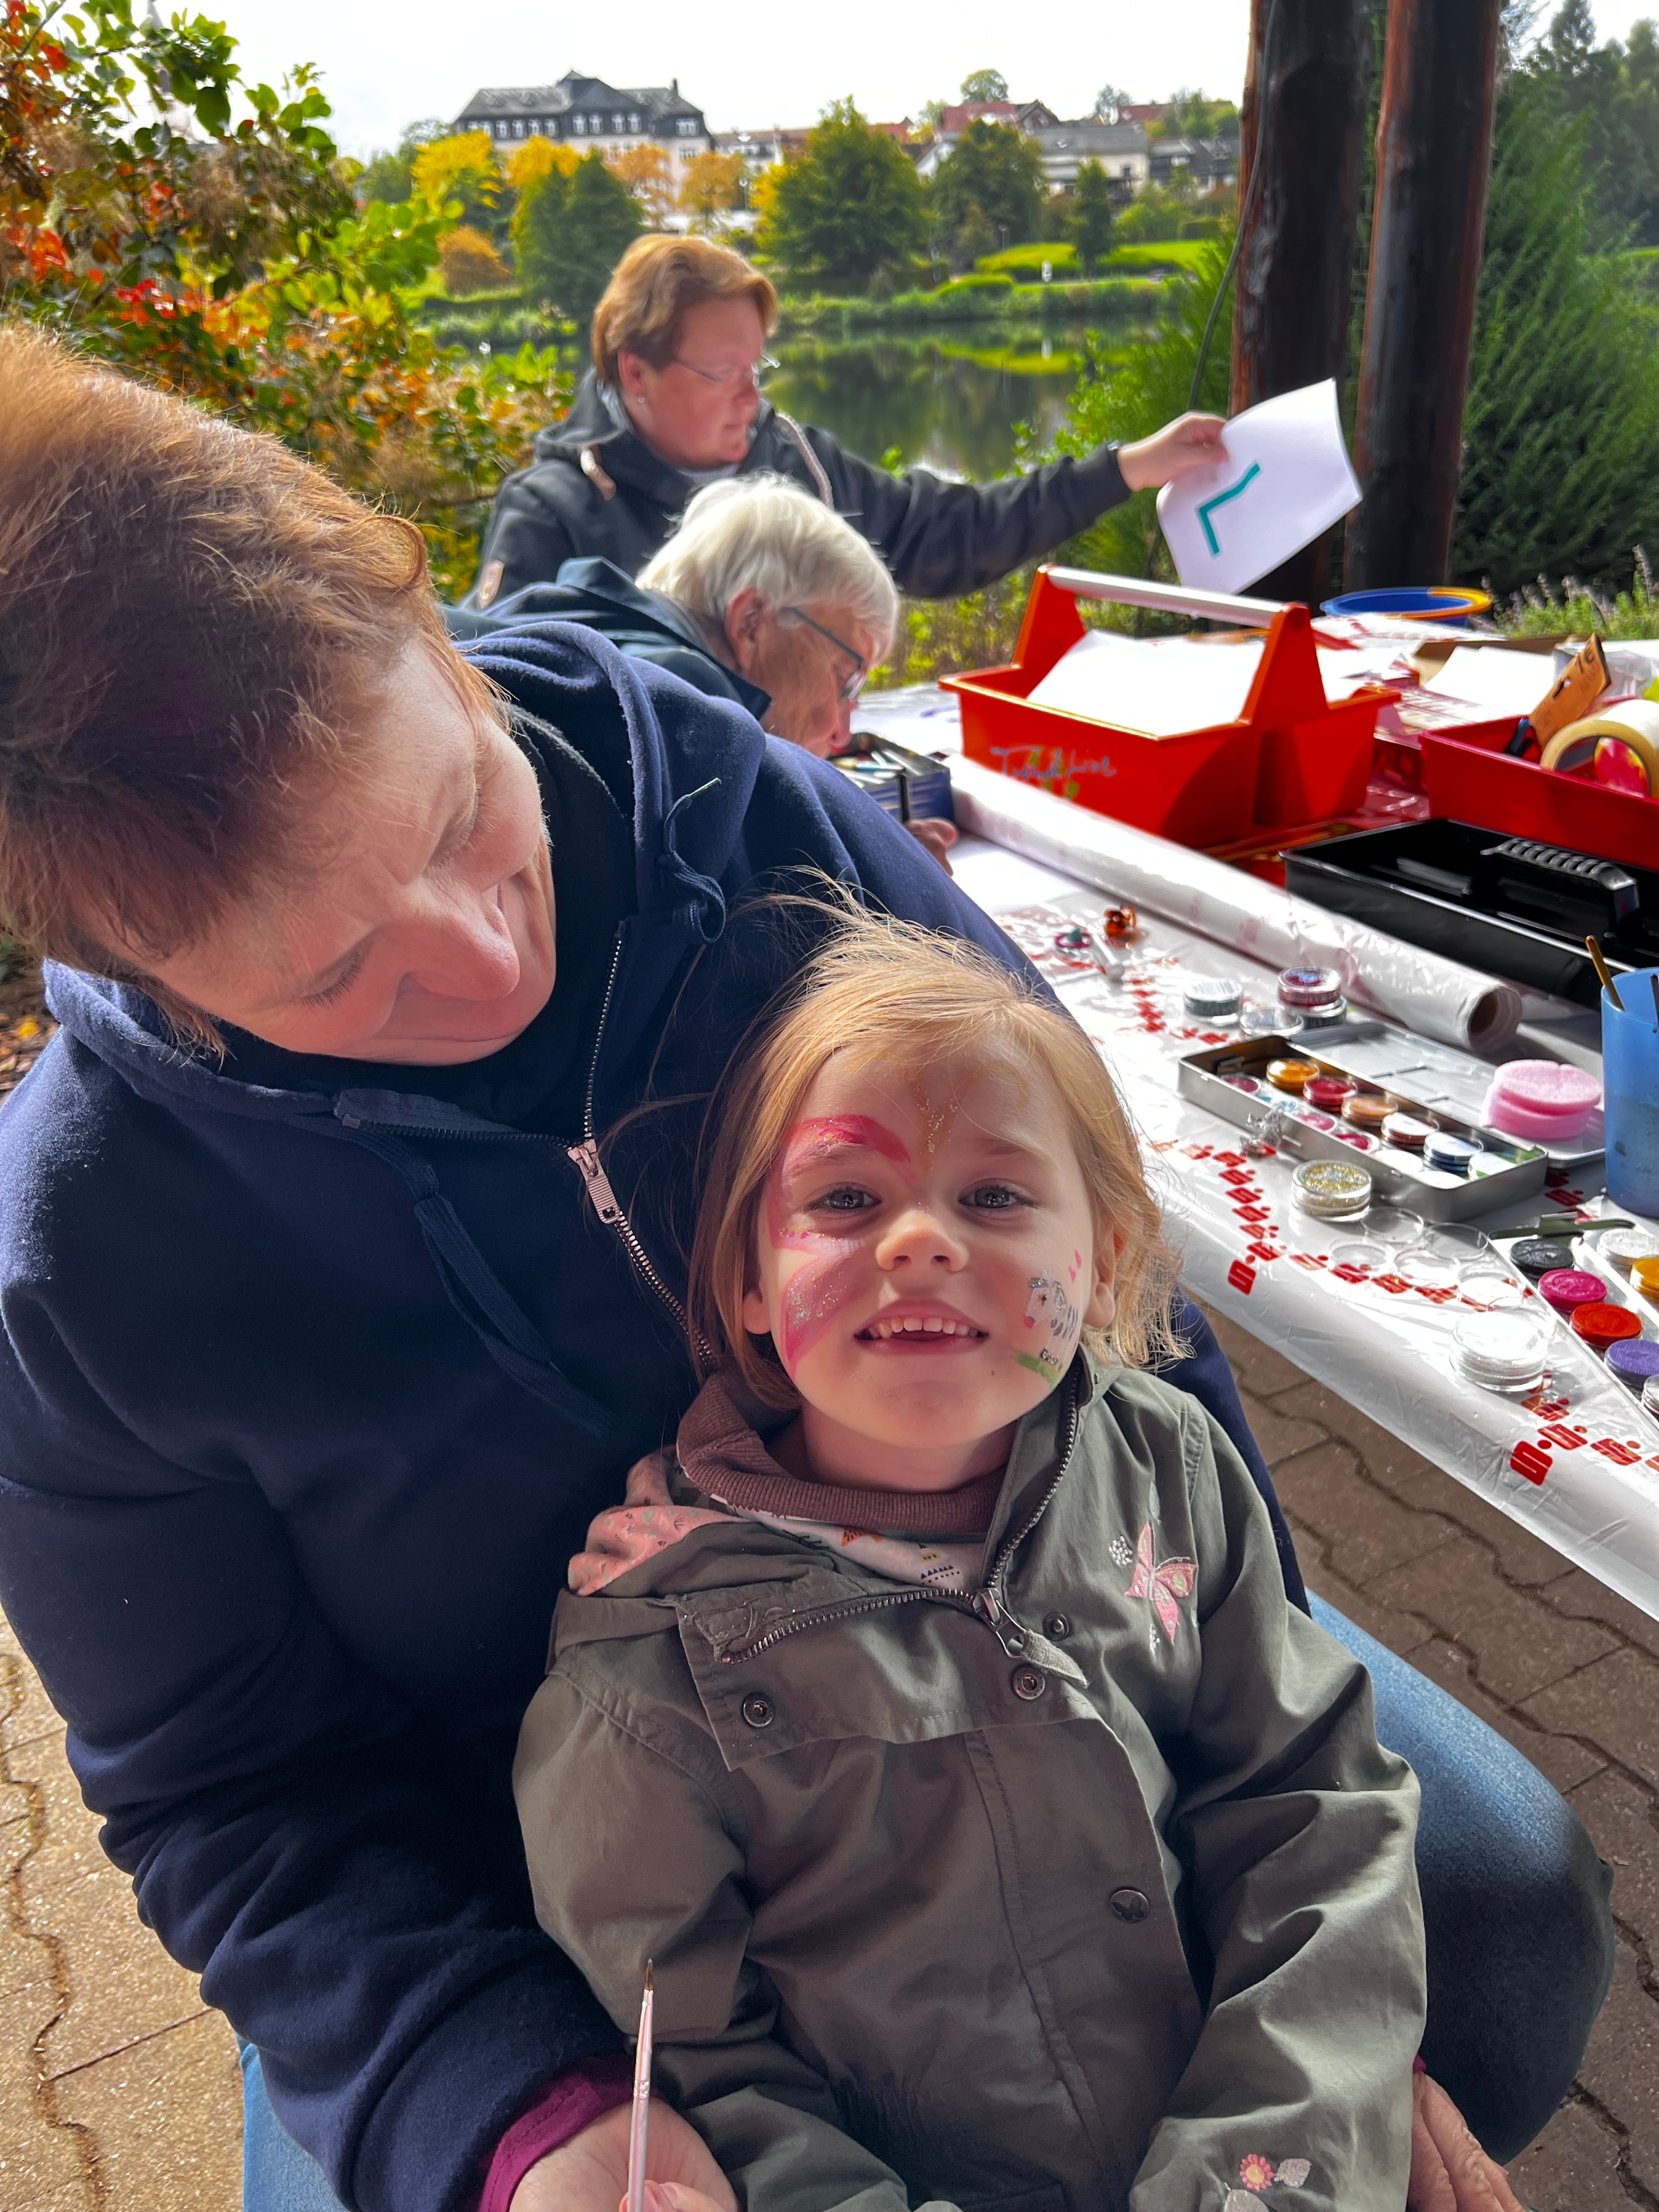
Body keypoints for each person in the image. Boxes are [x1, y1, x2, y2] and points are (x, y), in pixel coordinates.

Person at [0, 326, 1607, 2212]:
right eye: (331, 977)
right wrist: (511, 2114)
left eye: (462, 820)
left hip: (1023, 1616)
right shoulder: (82, 1270)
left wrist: (1307, 1975)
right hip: (527, 1868)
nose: (475, 961)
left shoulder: (756, 824)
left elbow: (1104, 1294)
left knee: (1484, 1927)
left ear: (444, 640)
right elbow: (230, 1791)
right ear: (139, 970)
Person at [518, 909, 1427, 2212]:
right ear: (748, 1288)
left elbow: (1313, 1804)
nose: (921, 1241)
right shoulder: (644, 1674)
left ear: (1104, 1258)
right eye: (844, 1198)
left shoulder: (1165, 1464)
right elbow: (696, 2077)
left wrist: (1285, 2148)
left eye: (994, 1196)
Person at [463, 234, 1227, 612]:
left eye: (756, 371)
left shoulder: (794, 464)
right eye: (723, 375)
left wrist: (1127, 468)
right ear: (635, 372)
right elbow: (516, 719)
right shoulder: (551, 516)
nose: (750, 399)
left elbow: (945, 535)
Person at [453, 477, 959, 867]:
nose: (842, 729)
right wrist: (890, 864)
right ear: (751, 623)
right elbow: (773, 919)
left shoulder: (575, 622)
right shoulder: (682, 707)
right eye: (847, 679)